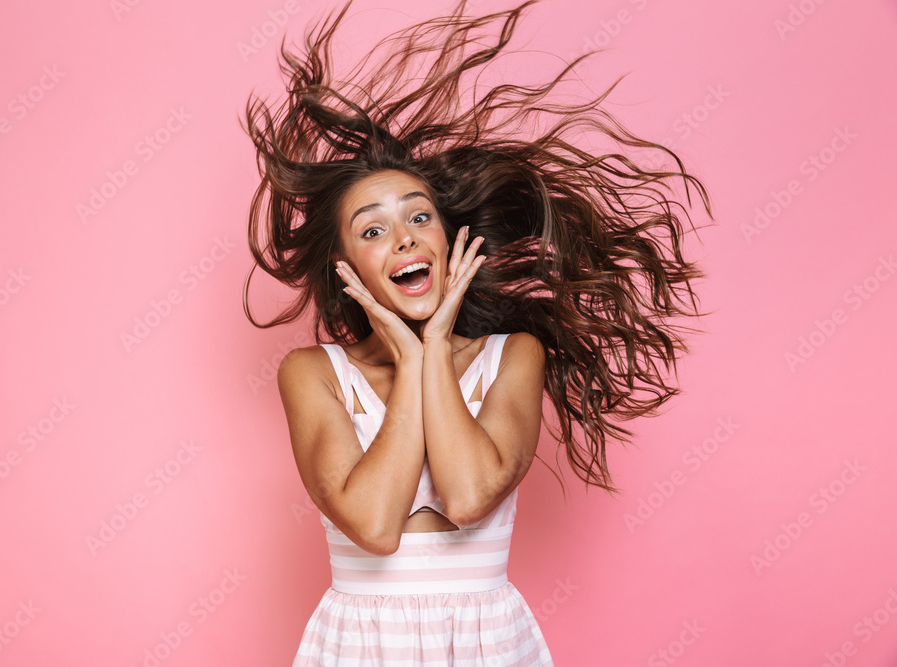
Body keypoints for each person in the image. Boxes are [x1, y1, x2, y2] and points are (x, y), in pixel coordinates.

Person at [241, 0, 712, 663]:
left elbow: (466, 497)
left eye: (418, 216)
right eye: (372, 228)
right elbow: (374, 526)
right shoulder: (313, 372)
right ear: (346, 267)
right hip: (359, 645)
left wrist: (431, 345)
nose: (403, 235)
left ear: (447, 235)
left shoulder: (512, 357)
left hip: (486, 645)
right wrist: (408, 357)